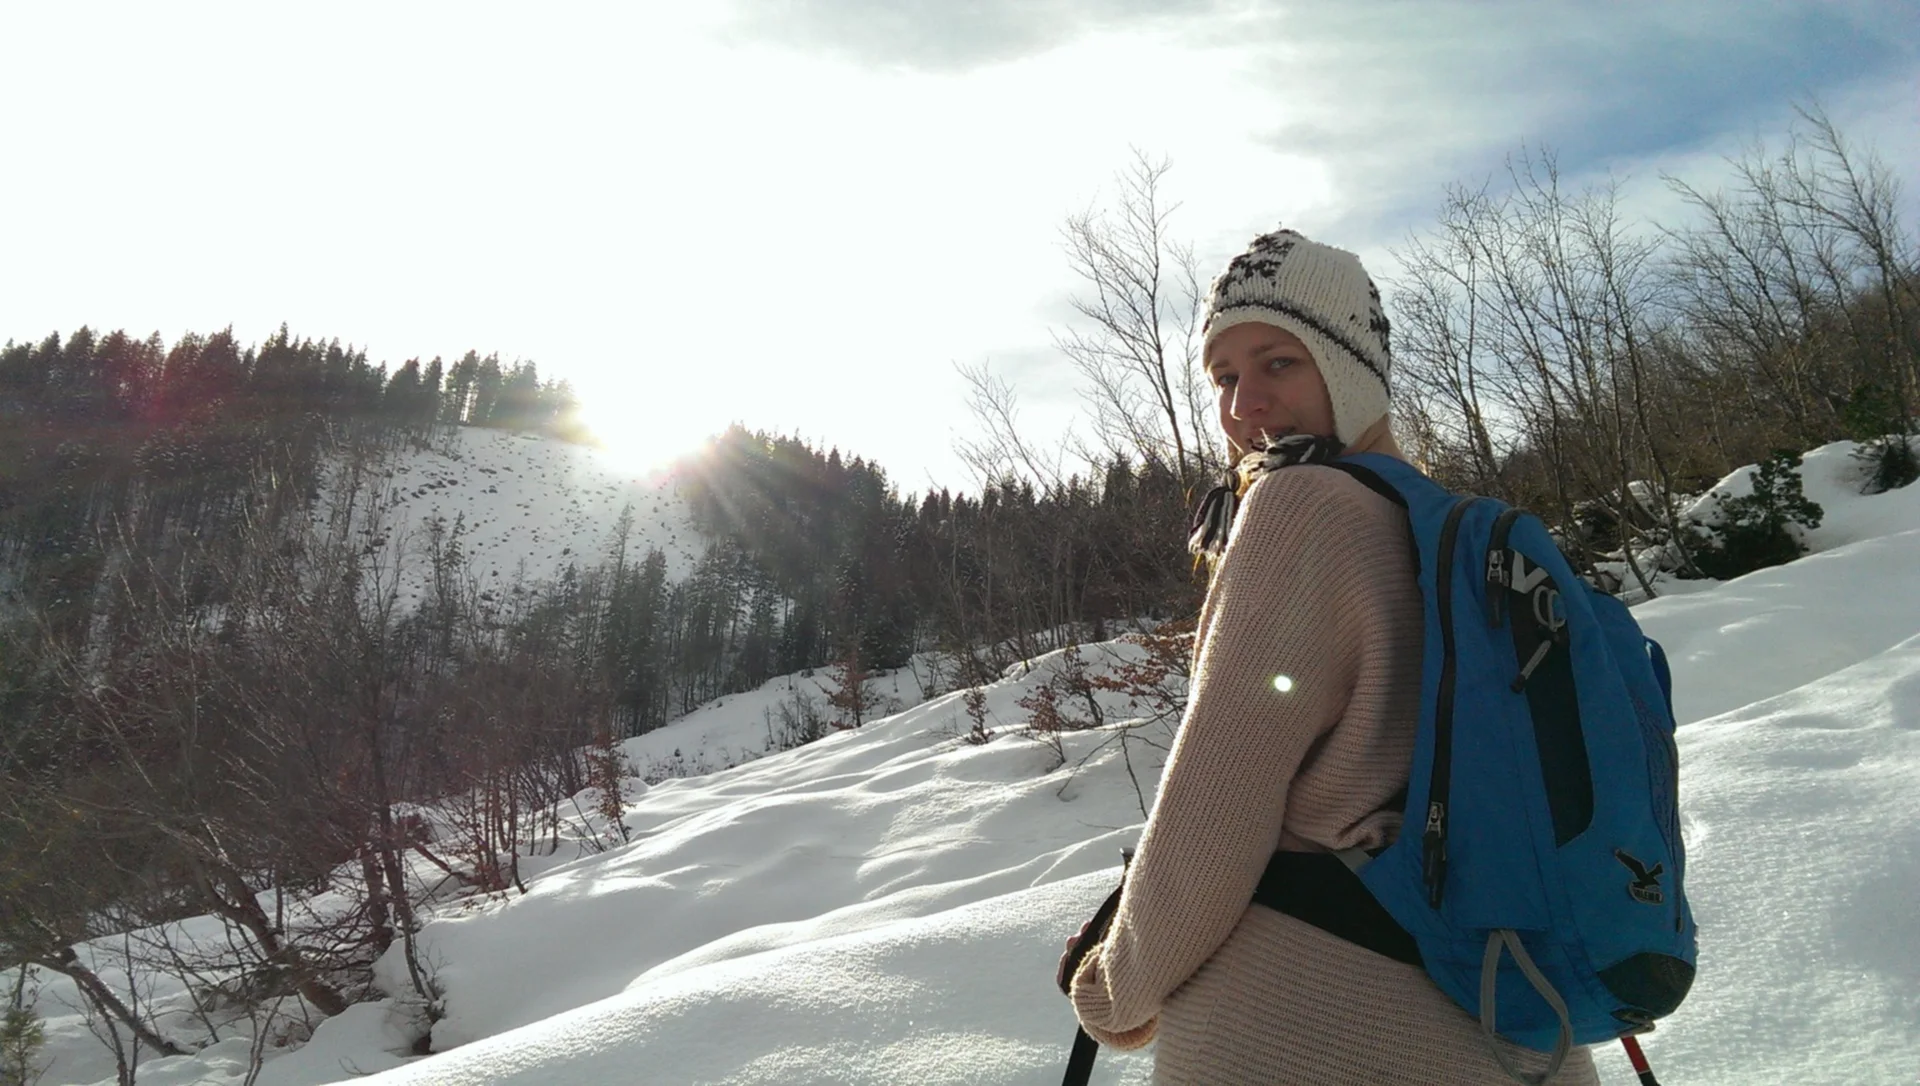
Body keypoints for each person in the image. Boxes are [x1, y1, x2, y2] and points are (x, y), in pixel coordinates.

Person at [1061, 229, 1599, 1085]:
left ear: (1349, 369)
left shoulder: (1302, 505)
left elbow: (1220, 794)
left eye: (1277, 363)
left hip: (1315, 1021)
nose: (1244, 405)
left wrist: (1116, 986)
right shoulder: (1448, 531)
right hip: (1517, 1012)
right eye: (1224, 377)